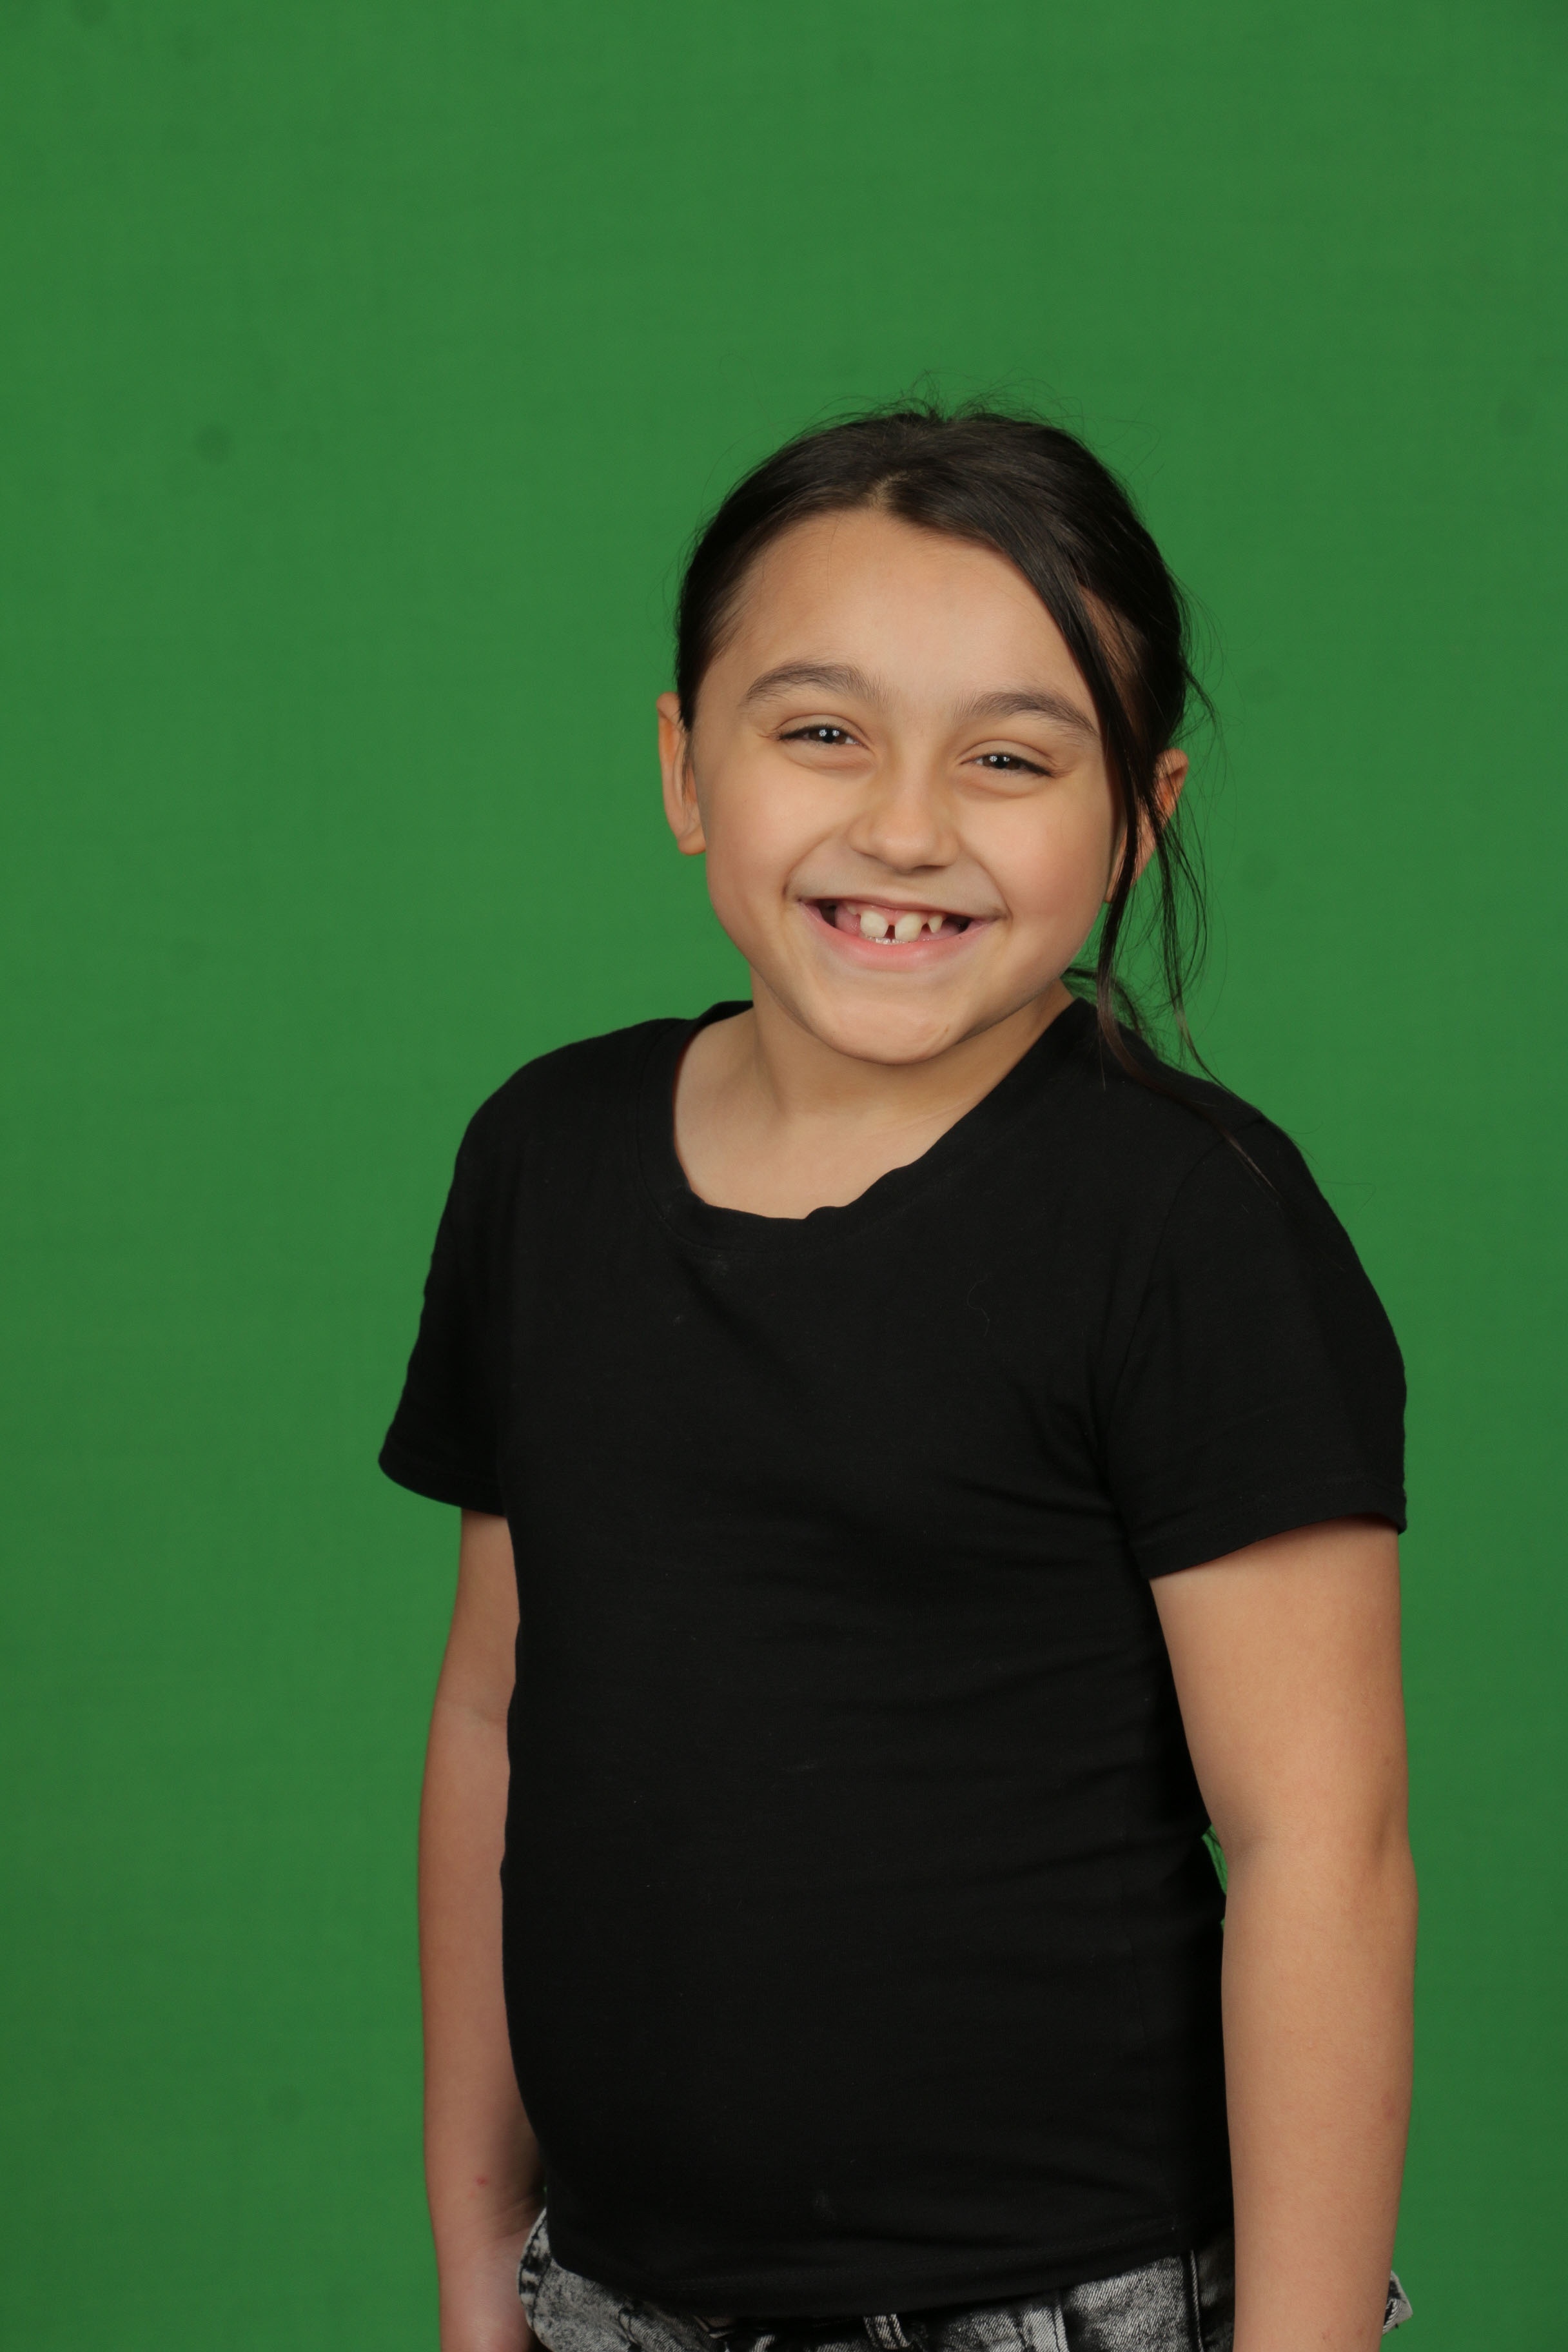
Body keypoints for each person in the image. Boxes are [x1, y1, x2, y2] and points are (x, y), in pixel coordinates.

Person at [380, 406, 1416, 2352]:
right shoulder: (546, 1161)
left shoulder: (1187, 1223)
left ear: (1141, 815)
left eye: (1010, 758)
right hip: (619, 2291)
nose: (909, 827)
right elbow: (494, 1717)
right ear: (686, 766)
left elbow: (1320, 1851)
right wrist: (479, 2260)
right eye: (822, 731)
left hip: (1056, 2302)